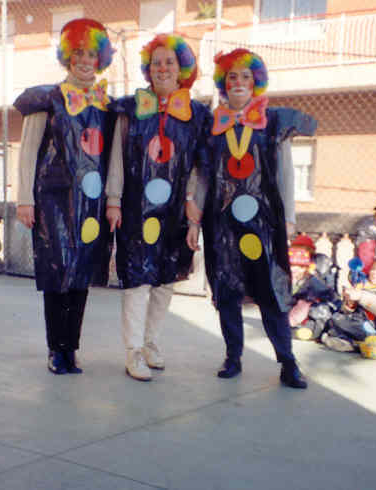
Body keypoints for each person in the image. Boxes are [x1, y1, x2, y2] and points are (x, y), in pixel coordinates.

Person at [196, 48, 315, 388]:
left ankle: (287, 361)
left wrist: (288, 217)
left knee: (271, 290)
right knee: (227, 288)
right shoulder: (213, 125)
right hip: (222, 223)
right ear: (223, 82)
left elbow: (285, 172)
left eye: (245, 76)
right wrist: (194, 213)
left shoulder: (272, 121)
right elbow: (203, 174)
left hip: (264, 222)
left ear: (255, 82)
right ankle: (233, 356)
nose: (238, 82)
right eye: (232, 76)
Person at [13, 18, 116, 375]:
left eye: (91, 54)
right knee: (57, 275)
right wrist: (24, 199)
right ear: (67, 56)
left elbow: (111, 155)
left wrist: (112, 199)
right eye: (78, 53)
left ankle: (71, 348)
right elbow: (28, 151)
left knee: (81, 275)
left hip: (91, 203)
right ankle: (55, 349)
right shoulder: (45, 98)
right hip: (52, 200)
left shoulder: (106, 104)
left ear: (100, 59)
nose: (85, 61)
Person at [105, 33, 210, 381]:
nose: (162, 68)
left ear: (182, 69)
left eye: (169, 62)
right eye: (156, 63)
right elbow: (117, 156)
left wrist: (194, 208)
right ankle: (133, 350)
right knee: (137, 280)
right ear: (148, 69)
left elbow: (199, 167)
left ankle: (150, 342)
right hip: (136, 210)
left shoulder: (197, 115)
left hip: (176, 212)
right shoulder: (131, 109)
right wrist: (114, 199)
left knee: (165, 280)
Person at [321, 257, 376, 353]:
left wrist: (361, 296)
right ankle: (354, 343)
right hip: (363, 325)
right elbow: (348, 310)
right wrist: (350, 303)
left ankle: (363, 344)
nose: (374, 272)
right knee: (338, 318)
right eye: (373, 269)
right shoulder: (363, 286)